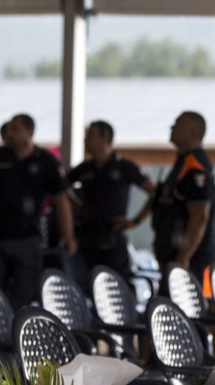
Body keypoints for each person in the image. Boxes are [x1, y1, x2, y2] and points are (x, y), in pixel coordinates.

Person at [0, 113, 73, 308]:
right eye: (9, 129)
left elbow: (61, 199)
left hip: (27, 238)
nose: (10, 134)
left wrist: (68, 235)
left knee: (25, 292)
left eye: (15, 130)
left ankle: (18, 324)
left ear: (30, 132)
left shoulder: (45, 160)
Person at [66, 120, 156, 291]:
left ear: (105, 138)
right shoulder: (84, 169)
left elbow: (154, 192)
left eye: (90, 136)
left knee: (118, 288)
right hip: (86, 239)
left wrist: (136, 221)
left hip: (112, 240)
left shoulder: (124, 167)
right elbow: (62, 187)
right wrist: (75, 205)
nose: (85, 140)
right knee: (87, 288)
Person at [151, 111, 215, 283]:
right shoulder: (182, 162)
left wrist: (184, 257)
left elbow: (199, 215)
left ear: (191, 132)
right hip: (171, 252)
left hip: (191, 259)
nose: (171, 128)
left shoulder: (195, 165)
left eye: (177, 125)